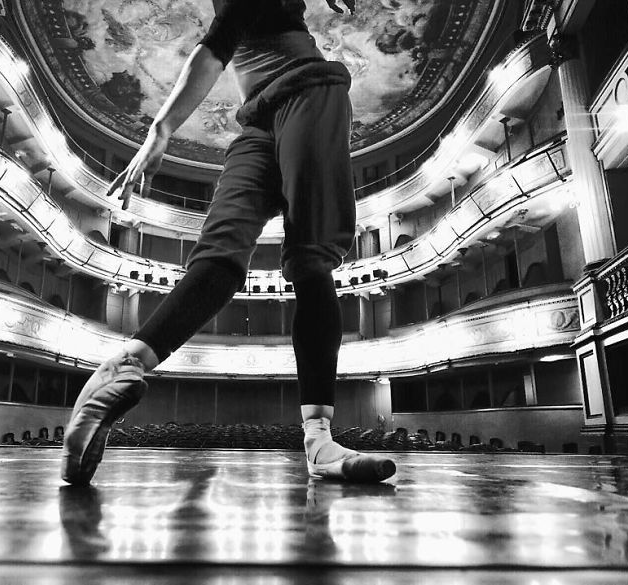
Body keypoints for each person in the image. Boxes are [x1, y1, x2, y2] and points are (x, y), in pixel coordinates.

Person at [62, 0, 396, 485]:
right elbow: (229, 30)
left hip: (308, 90)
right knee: (219, 260)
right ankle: (124, 366)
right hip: (259, 119)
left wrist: (162, 130)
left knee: (309, 261)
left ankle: (319, 440)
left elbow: (219, 44)